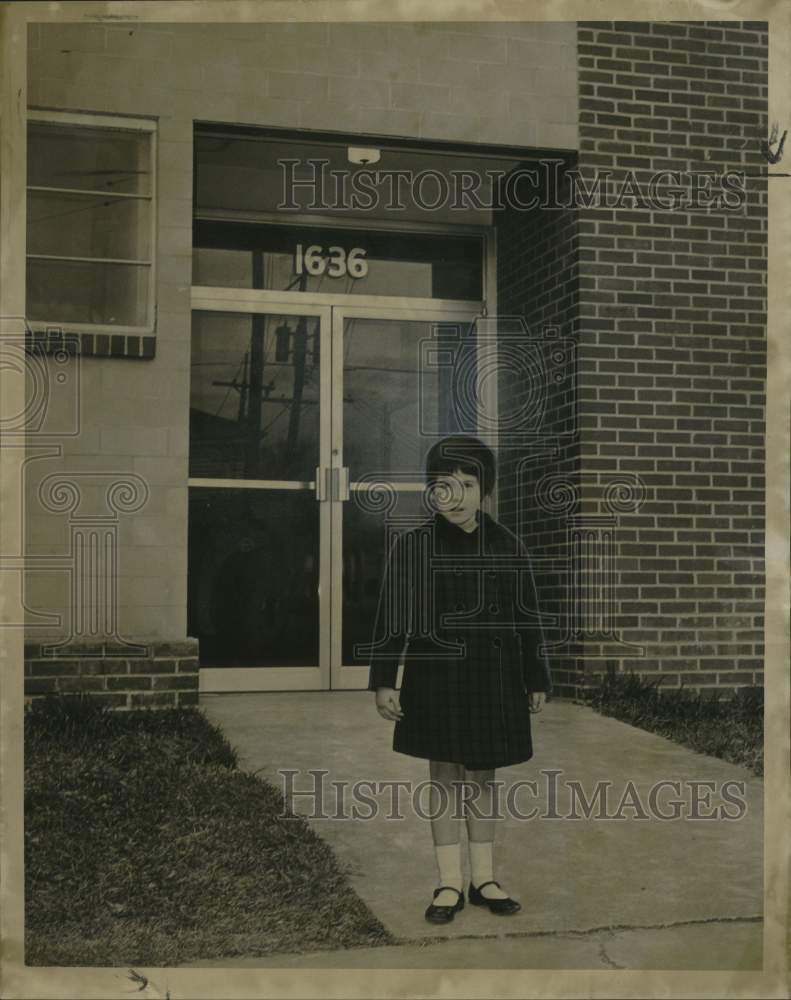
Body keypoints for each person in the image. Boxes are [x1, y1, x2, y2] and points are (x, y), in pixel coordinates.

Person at [368, 434, 552, 924]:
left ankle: (484, 877)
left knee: (483, 777)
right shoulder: (414, 546)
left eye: (467, 484)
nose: (455, 494)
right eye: (443, 484)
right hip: (436, 679)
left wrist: (537, 678)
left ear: (485, 490)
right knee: (446, 777)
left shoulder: (508, 546)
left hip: (493, 680)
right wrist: (386, 679)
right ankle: (449, 881)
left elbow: (526, 616)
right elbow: (393, 619)